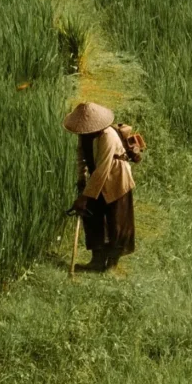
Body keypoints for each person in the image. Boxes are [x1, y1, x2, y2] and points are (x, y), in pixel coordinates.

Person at [64, 100, 138, 272]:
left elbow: (103, 169)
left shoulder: (108, 136)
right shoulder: (84, 135)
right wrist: (81, 180)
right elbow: (81, 158)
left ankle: (112, 263)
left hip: (117, 179)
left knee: (117, 222)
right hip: (96, 180)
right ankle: (97, 261)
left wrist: (84, 197)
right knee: (92, 217)